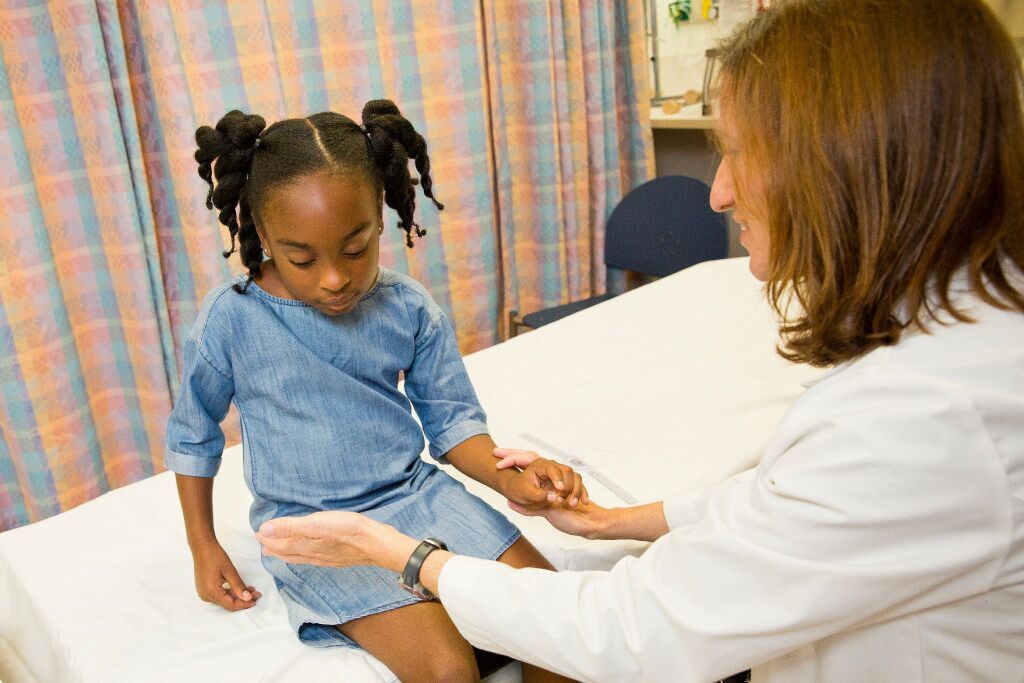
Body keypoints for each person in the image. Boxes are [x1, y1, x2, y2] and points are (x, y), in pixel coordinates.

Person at [255, 1, 1024, 680]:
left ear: (845, 166)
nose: (718, 190)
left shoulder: (926, 418)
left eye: (739, 151)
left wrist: (405, 554)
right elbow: (789, 501)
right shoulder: (953, 347)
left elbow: (633, 632)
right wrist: (615, 521)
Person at [166, 100, 586, 682]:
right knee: (448, 671)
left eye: (356, 248)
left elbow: (454, 424)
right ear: (262, 232)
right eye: (301, 258)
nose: (334, 278)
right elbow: (193, 433)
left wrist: (515, 479)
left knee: (557, 623)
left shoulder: (407, 307)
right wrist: (202, 544)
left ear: (381, 217)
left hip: (417, 496)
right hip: (316, 526)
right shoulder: (230, 321)